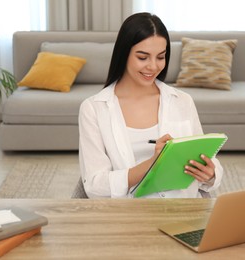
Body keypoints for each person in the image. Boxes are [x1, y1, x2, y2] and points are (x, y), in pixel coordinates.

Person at [78, 12, 224, 198]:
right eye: (143, 57)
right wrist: (153, 163)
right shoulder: (94, 108)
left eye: (160, 57)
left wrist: (210, 174)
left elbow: (209, 163)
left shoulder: (182, 101)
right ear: (124, 54)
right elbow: (94, 185)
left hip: (182, 212)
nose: (153, 67)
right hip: (130, 217)